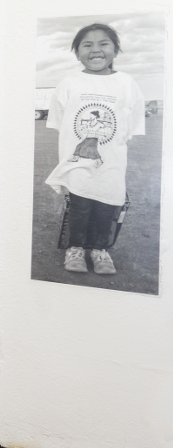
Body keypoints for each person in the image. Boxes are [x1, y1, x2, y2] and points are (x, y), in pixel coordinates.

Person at [45, 23, 145, 275]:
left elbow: (129, 127)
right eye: (86, 45)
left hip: (111, 162)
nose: (95, 50)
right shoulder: (69, 83)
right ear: (77, 52)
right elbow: (61, 123)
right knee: (79, 205)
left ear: (115, 50)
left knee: (107, 205)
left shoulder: (127, 83)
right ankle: (76, 248)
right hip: (77, 161)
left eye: (104, 43)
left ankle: (100, 250)